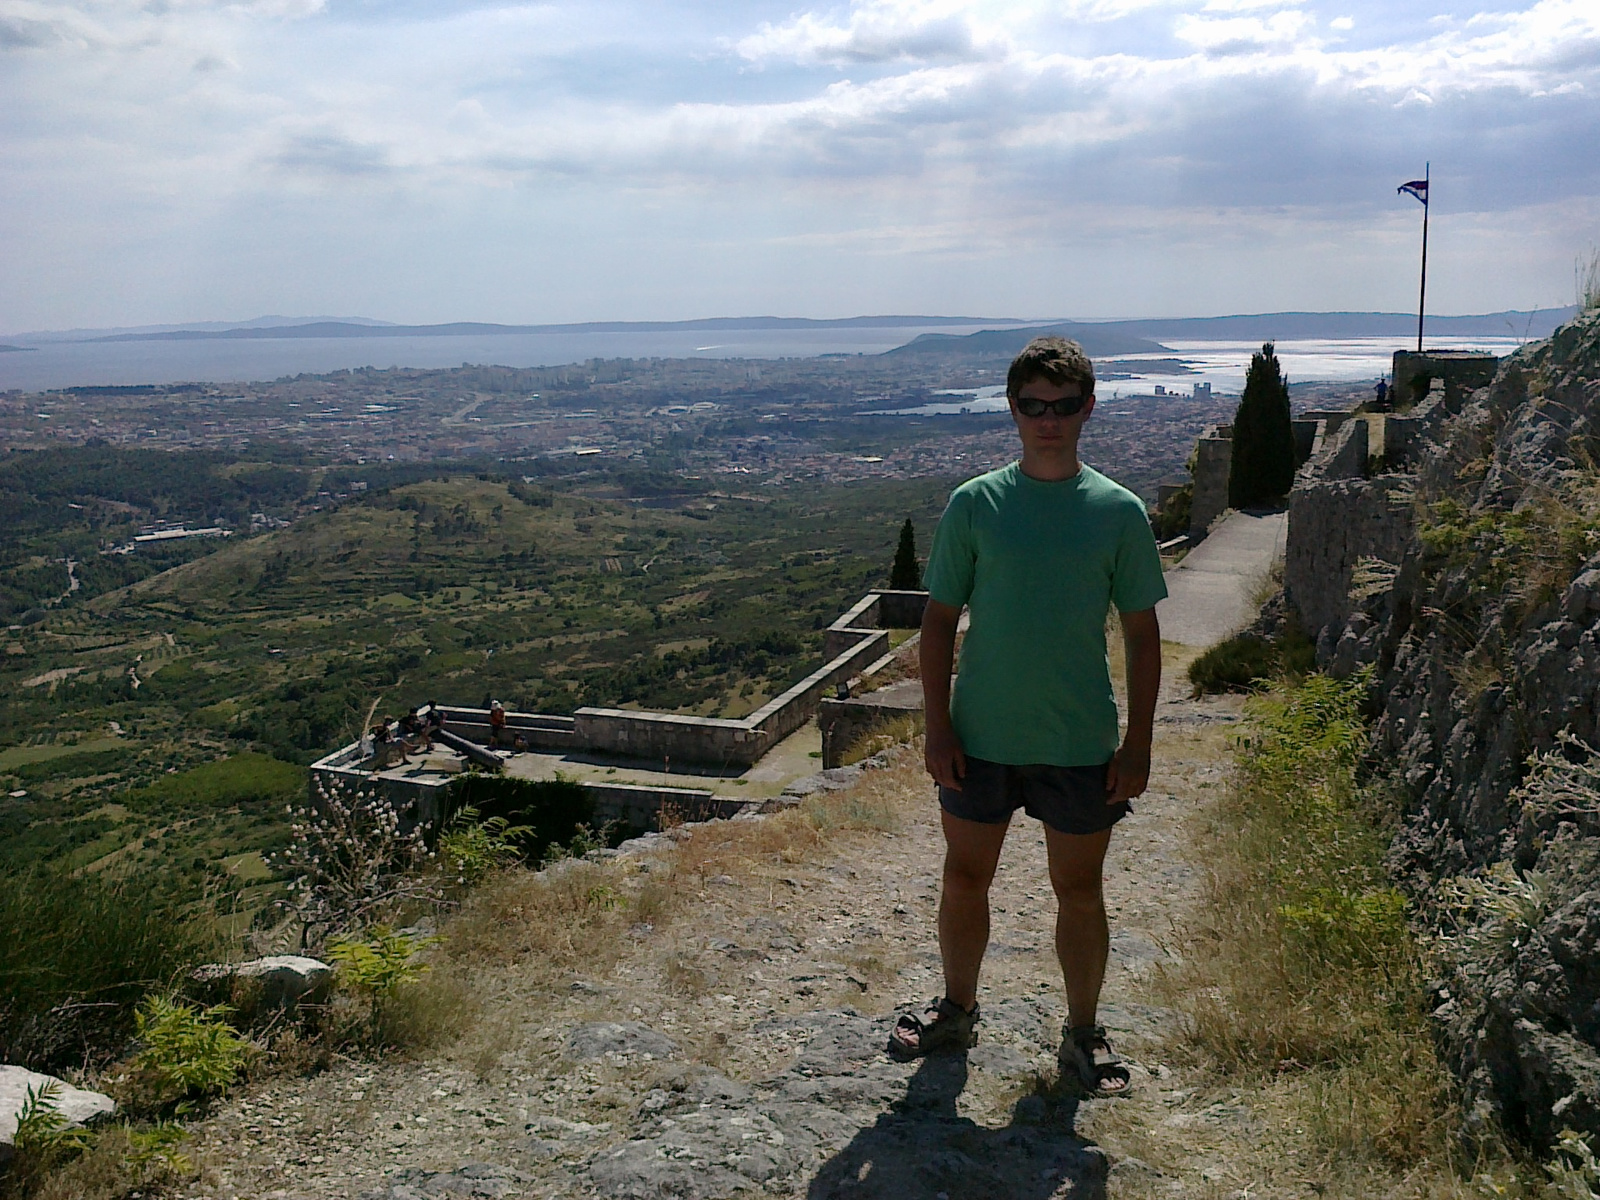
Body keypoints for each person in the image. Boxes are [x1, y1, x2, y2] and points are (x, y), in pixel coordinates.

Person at [888, 336, 1168, 1098]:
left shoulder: (1118, 512)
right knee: (964, 875)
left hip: (1079, 741)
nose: (1048, 420)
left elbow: (1143, 638)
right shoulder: (974, 504)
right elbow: (938, 622)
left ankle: (1082, 1032)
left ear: (1088, 408)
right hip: (979, 737)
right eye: (1032, 406)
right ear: (1011, 409)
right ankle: (957, 1009)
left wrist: (1138, 743)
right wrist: (936, 727)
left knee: (1080, 892)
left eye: (1064, 405)